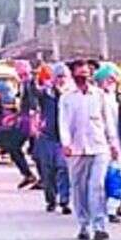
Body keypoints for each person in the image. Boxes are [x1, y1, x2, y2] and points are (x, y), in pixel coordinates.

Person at [59, 59, 120, 240]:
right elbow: (63, 122)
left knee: (97, 186)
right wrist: (66, 143)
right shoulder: (67, 97)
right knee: (79, 188)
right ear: (73, 74)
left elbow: (108, 121)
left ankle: (99, 227)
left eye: (86, 72)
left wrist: (113, 144)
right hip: (76, 149)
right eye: (80, 72)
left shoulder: (99, 95)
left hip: (99, 146)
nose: (84, 75)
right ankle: (84, 224)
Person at [0, 60, 40, 189]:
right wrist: (14, 116)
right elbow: (25, 105)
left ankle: (37, 177)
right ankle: (30, 175)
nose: (20, 74)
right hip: (25, 121)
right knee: (19, 148)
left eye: (21, 72)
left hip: (31, 123)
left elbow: (34, 105)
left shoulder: (31, 84)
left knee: (20, 148)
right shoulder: (23, 84)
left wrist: (33, 122)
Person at [36, 63, 71, 214]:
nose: (61, 80)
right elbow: (34, 105)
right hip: (47, 136)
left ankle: (64, 200)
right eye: (59, 76)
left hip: (64, 138)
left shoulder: (71, 94)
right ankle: (51, 199)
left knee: (64, 168)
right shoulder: (45, 94)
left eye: (64, 77)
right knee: (47, 170)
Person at [94, 63, 121, 223]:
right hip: (103, 142)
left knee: (117, 175)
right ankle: (108, 208)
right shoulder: (97, 97)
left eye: (114, 78)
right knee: (107, 177)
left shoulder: (119, 97)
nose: (111, 81)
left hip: (118, 141)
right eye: (108, 78)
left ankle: (115, 206)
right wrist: (110, 142)